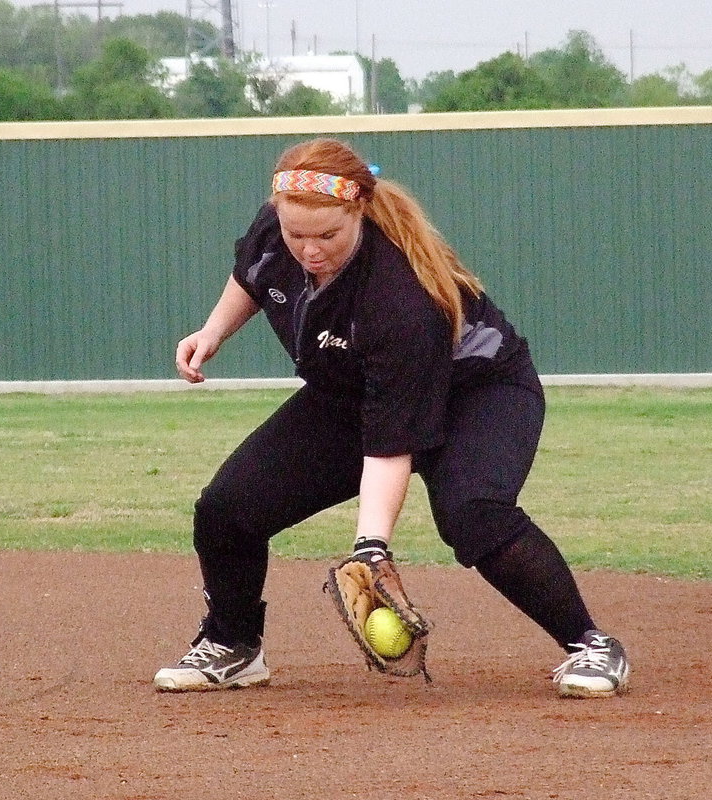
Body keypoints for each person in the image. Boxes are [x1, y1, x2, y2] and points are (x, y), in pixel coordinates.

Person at [153, 137, 629, 698]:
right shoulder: (280, 224)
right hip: (351, 395)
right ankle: (234, 644)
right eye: (295, 234)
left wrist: (370, 549)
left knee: (474, 513)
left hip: (476, 396)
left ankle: (591, 645)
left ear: (358, 212)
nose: (309, 250)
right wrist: (212, 332)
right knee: (227, 509)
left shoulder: (398, 297)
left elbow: (387, 446)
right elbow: (254, 277)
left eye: (328, 236)